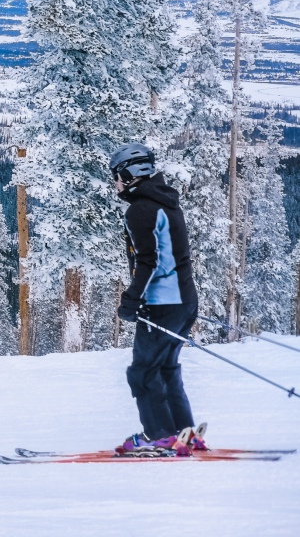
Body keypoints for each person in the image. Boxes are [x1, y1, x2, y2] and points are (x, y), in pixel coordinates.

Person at [109, 142, 205, 456]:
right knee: (165, 369)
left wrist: (131, 300)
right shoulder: (164, 202)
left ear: (128, 172)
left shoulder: (141, 210)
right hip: (184, 301)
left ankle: (159, 435)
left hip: (162, 303)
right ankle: (182, 434)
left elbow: (147, 261)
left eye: (117, 175)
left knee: (143, 372)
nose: (116, 182)